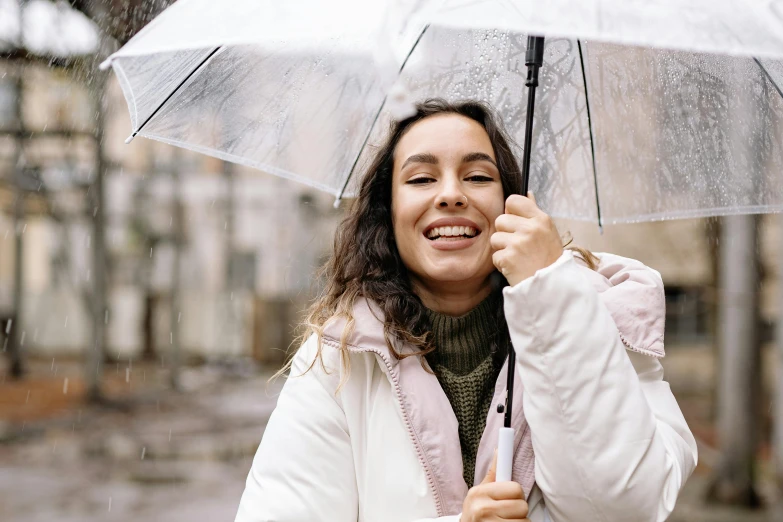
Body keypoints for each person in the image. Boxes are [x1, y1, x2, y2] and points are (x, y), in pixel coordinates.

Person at [234, 98, 697, 522]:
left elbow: (628, 506)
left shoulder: (603, 316)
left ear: (512, 206)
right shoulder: (340, 355)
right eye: (421, 179)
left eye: (478, 176)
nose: (451, 195)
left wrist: (552, 294)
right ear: (387, 214)